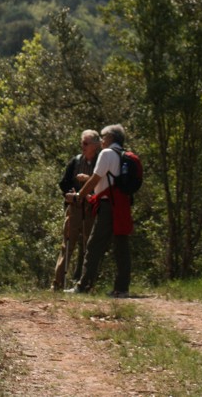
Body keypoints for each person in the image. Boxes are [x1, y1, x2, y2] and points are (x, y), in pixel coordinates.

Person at [65, 124, 133, 297]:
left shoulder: (107, 153)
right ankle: (122, 288)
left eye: (103, 136)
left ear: (110, 137)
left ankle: (83, 286)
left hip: (108, 205)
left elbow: (95, 179)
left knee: (94, 245)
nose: (101, 140)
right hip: (121, 204)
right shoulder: (122, 154)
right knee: (121, 245)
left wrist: (79, 195)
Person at [52, 130, 100, 290]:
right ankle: (57, 284)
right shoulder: (76, 161)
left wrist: (89, 191)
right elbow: (64, 183)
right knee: (67, 244)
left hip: (92, 208)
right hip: (74, 208)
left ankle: (86, 284)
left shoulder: (100, 161)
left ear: (95, 145)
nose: (82, 146)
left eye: (86, 143)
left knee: (90, 246)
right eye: (82, 143)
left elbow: (103, 184)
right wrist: (69, 195)